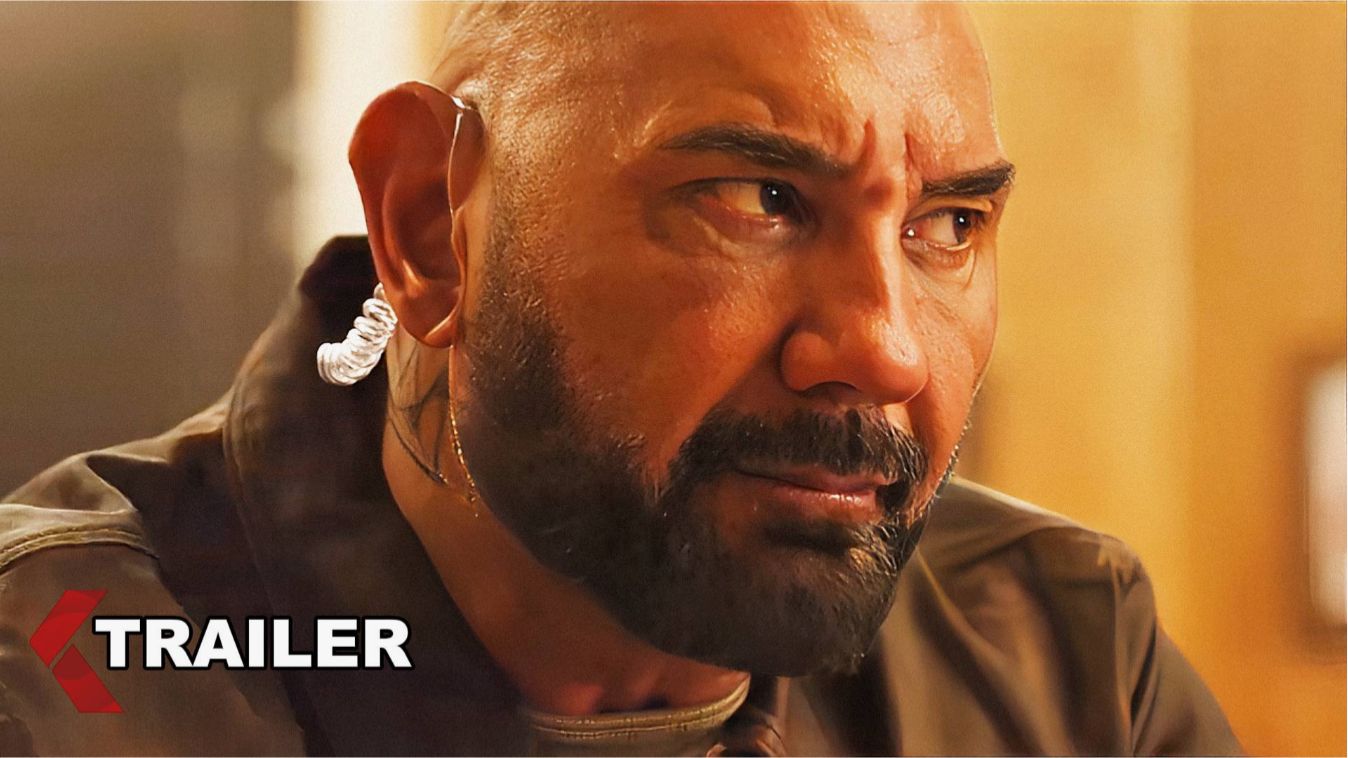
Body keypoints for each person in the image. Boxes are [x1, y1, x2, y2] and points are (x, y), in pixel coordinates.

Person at [0, 3, 1240, 755]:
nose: (885, 349)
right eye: (755, 198)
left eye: (948, 225)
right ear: (431, 224)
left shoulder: (1064, 656)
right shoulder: (60, 678)